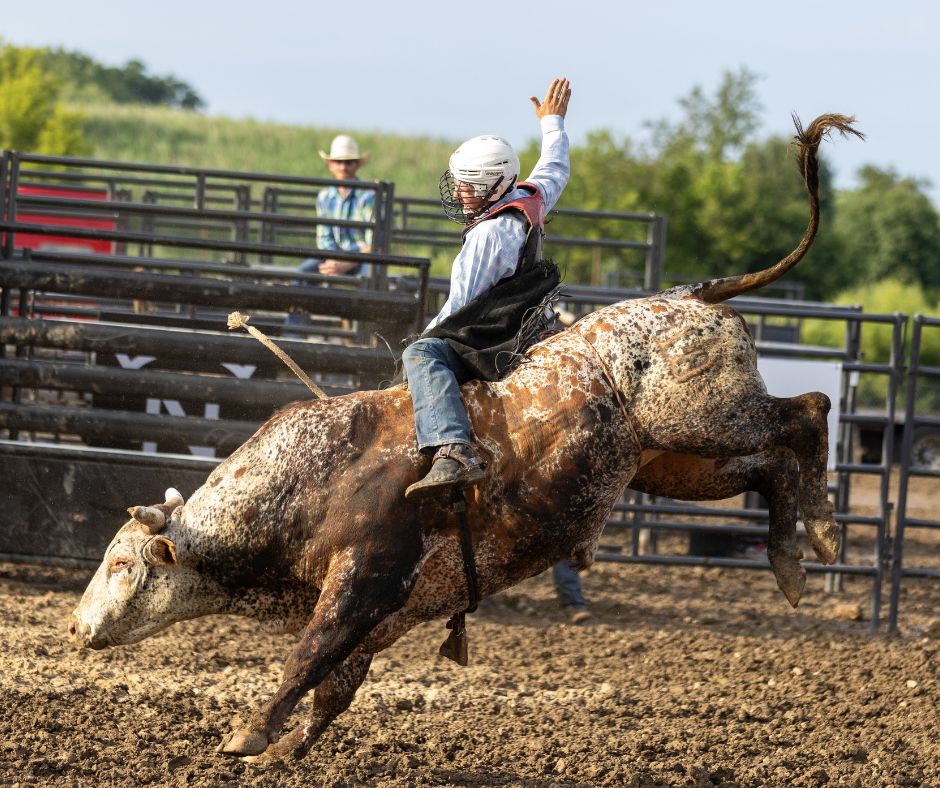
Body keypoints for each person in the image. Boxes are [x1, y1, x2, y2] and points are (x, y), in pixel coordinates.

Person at [402, 77, 571, 501]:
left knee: (421, 354)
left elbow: (460, 308)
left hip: (493, 336)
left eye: (468, 185)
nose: (459, 193)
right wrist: (553, 124)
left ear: (494, 185)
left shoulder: (487, 236)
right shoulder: (529, 198)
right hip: (528, 324)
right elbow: (554, 169)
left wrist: (423, 338)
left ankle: (453, 449)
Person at [285, 134, 374, 333]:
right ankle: (294, 335)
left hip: (363, 260)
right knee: (302, 275)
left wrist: (345, 263)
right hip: (334, 258)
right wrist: (335, 261)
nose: (343, 167)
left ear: (356, 165)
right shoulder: (324, 197)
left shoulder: (369, 197)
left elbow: (375, 243)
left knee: (370, 278)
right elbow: (324, 238)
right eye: (339, 162)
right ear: (331, 165)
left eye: (348, 162)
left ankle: (366, 337)